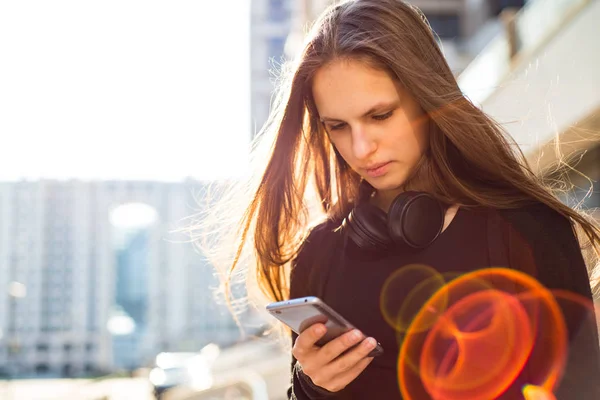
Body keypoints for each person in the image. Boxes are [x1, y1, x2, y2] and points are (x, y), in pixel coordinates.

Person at [198, 0, 600, 398]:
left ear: (427, 98)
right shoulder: (319, 254)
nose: (360, 148)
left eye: (380, 115)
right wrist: (310, 387)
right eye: (337, 126)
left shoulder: (529, 230)